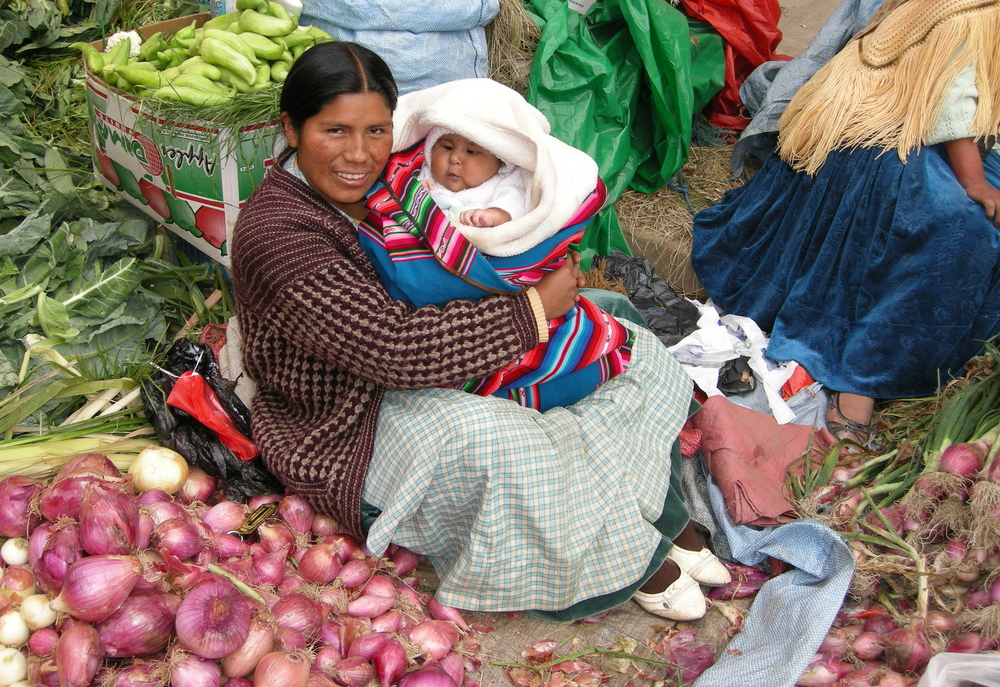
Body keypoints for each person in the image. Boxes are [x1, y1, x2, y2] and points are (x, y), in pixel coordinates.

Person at [230, 40, 730, 623]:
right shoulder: (280, 234)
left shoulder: (395, 180)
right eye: (334, 131)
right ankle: (634, 556)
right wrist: (532, 311)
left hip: (414, 360)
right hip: (345, 418)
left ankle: (648, 519)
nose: (359, 154)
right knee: (507, 438)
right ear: (291, 128)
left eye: (376, 131)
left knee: (624, 336)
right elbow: (395, 349)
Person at [691, 0, 1000, 442]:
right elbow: (953, 96)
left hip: (907, 113)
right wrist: (974, 182)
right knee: (954, 227)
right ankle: (861, 379)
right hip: (879, 123)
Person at [358, 77, 633, 412]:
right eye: (446, 147)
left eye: (472, 151)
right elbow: (398, 205)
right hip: (431, 292)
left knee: (573, 336)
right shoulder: (421, 178)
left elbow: (521, 223)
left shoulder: (505, 186)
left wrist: (494, 218)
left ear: (501, 158)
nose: (456, 160)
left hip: (488, 272)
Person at [421, 127, 525, 228]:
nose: (454, 158)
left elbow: (512, 205)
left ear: (499, 160)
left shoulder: (504, 181)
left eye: (471, 151)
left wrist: (491, 216)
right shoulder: (427, 175)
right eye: (448, 148)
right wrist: (416, 192)